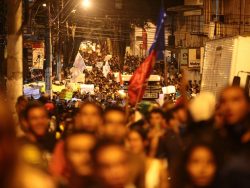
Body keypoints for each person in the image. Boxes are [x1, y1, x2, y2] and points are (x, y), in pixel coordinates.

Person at [218, 86, 250, 188]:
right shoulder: (215, 137)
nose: (228, 106)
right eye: (223, 101)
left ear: (247, 105)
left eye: (235, 100)